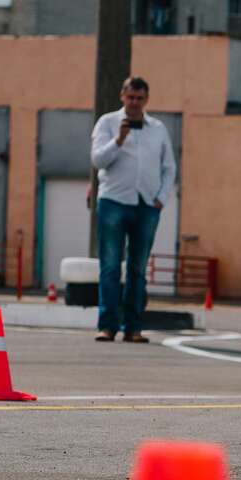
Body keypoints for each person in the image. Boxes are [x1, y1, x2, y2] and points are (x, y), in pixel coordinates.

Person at [89, 75, 175, 343]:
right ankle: (107, 326)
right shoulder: (107, 123)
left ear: (146, 99)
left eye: (139, 98)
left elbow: (169, 167)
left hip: (147, 205)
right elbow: (98, 160)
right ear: (122, 96)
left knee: (138, 269)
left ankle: (133, 327)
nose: (135, 103)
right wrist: (119, 139)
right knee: (111, 267)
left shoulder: (158, 128)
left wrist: (161, 197)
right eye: (130, 97)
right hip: (113, 202)